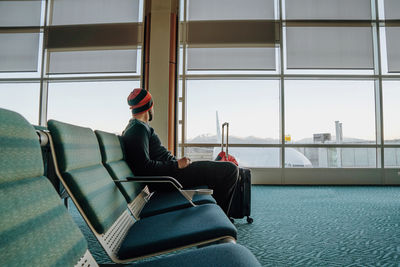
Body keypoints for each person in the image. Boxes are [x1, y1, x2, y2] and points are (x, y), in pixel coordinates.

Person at [122, 88, 238, 214]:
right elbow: (144, 168)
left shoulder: (138, 127)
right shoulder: (138, 129)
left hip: (172, 173)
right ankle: (219, 217)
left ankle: (214, 214)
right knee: (230, 169)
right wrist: (176, 164)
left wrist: (177, 162)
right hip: (170, 178)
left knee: (220, 170)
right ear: (150, 106)